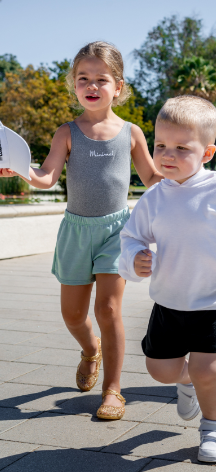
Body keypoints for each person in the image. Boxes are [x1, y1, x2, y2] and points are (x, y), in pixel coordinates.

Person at [0, 41, 163, 420]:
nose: (91, 85)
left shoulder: (132, 133)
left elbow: (153, 177)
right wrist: (20, 170)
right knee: (73, 315)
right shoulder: (67, 132)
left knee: (108, 310)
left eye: (101, 79)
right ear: (73, 85)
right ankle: (91, 350)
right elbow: (46, 176)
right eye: (82, 78)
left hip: (117, 232)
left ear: (118, 87)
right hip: (75, 231)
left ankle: (113, 390)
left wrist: (182, 176)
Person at [118, 95, 216, 462]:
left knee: (209, 370)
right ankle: (186, 382)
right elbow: (132, 237)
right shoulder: (155, 196)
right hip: (170, 301)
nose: (167, 155)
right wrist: (134, 258)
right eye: (160, 145)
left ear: (207, 153)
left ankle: (214, 427)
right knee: (160, 370)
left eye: (181, 148)